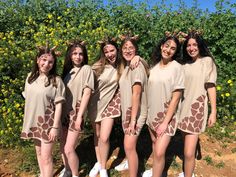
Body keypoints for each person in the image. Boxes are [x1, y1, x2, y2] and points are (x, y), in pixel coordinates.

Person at [88, 37, 141, 177]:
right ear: (103, 53)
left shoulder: (122, 64)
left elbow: (131, 59)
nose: (110, 54)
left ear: (117, 50)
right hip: (96, 104)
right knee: (97, 135)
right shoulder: (97, 67)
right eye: (106, 51)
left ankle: (103, 168)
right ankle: (99, 162)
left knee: (104, 137)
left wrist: (137, 57)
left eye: (112, 50)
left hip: (112, 104)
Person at [21, 43, 65, 177]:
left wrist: (55, 127)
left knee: (46, 157)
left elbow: (59, 105)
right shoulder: (30, 77)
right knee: (39, 153)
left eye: (50, 62)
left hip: (48, 124)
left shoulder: (56, 81)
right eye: (44, 60)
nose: (47, 64)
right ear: (37, 60)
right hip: (34, 122)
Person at [143, 33, 185, 177]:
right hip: (152, 114)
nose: (168, 50)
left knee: (160, 152)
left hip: (168, 117)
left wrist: (165, 122)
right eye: (166, 46)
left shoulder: (177, 68)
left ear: (175, 51)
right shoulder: (153, 68)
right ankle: (158, 172)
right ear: (161, 46)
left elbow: (176, 98)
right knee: (155, 147)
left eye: (173, 48)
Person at [177, 30, 217, 177]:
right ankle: (188, 171)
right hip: (182, 110)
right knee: (186, 145)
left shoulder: (207, 62)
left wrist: (213, 111)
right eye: (188, 45)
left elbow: (211, 86)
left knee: (188, 153)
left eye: (194, 45)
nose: (191, 48)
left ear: (200, 46)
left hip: (196, 111)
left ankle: (188, 174)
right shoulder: (183, 65)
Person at [60, 40, 94, 177]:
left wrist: (80, 116)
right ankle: (67, 170)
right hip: (64, 113)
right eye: (74, 53)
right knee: (63, 146)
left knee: (69, 148)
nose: (78, 56)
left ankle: (75, 174)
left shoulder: (86, 69)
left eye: (80, 54)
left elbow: (87, 92)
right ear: (70, 55)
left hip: (76, 113)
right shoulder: (67, 72)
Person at [118, 34, 149, 177]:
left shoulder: (136, 66)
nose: (128, 50)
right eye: (125, 48)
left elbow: (136, 94)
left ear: (136, 50)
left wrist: (133, 121)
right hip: (129, 113)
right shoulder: (127, 67)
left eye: (131, 48)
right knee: (129, 147)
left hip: (135, 115)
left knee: (129, 147)